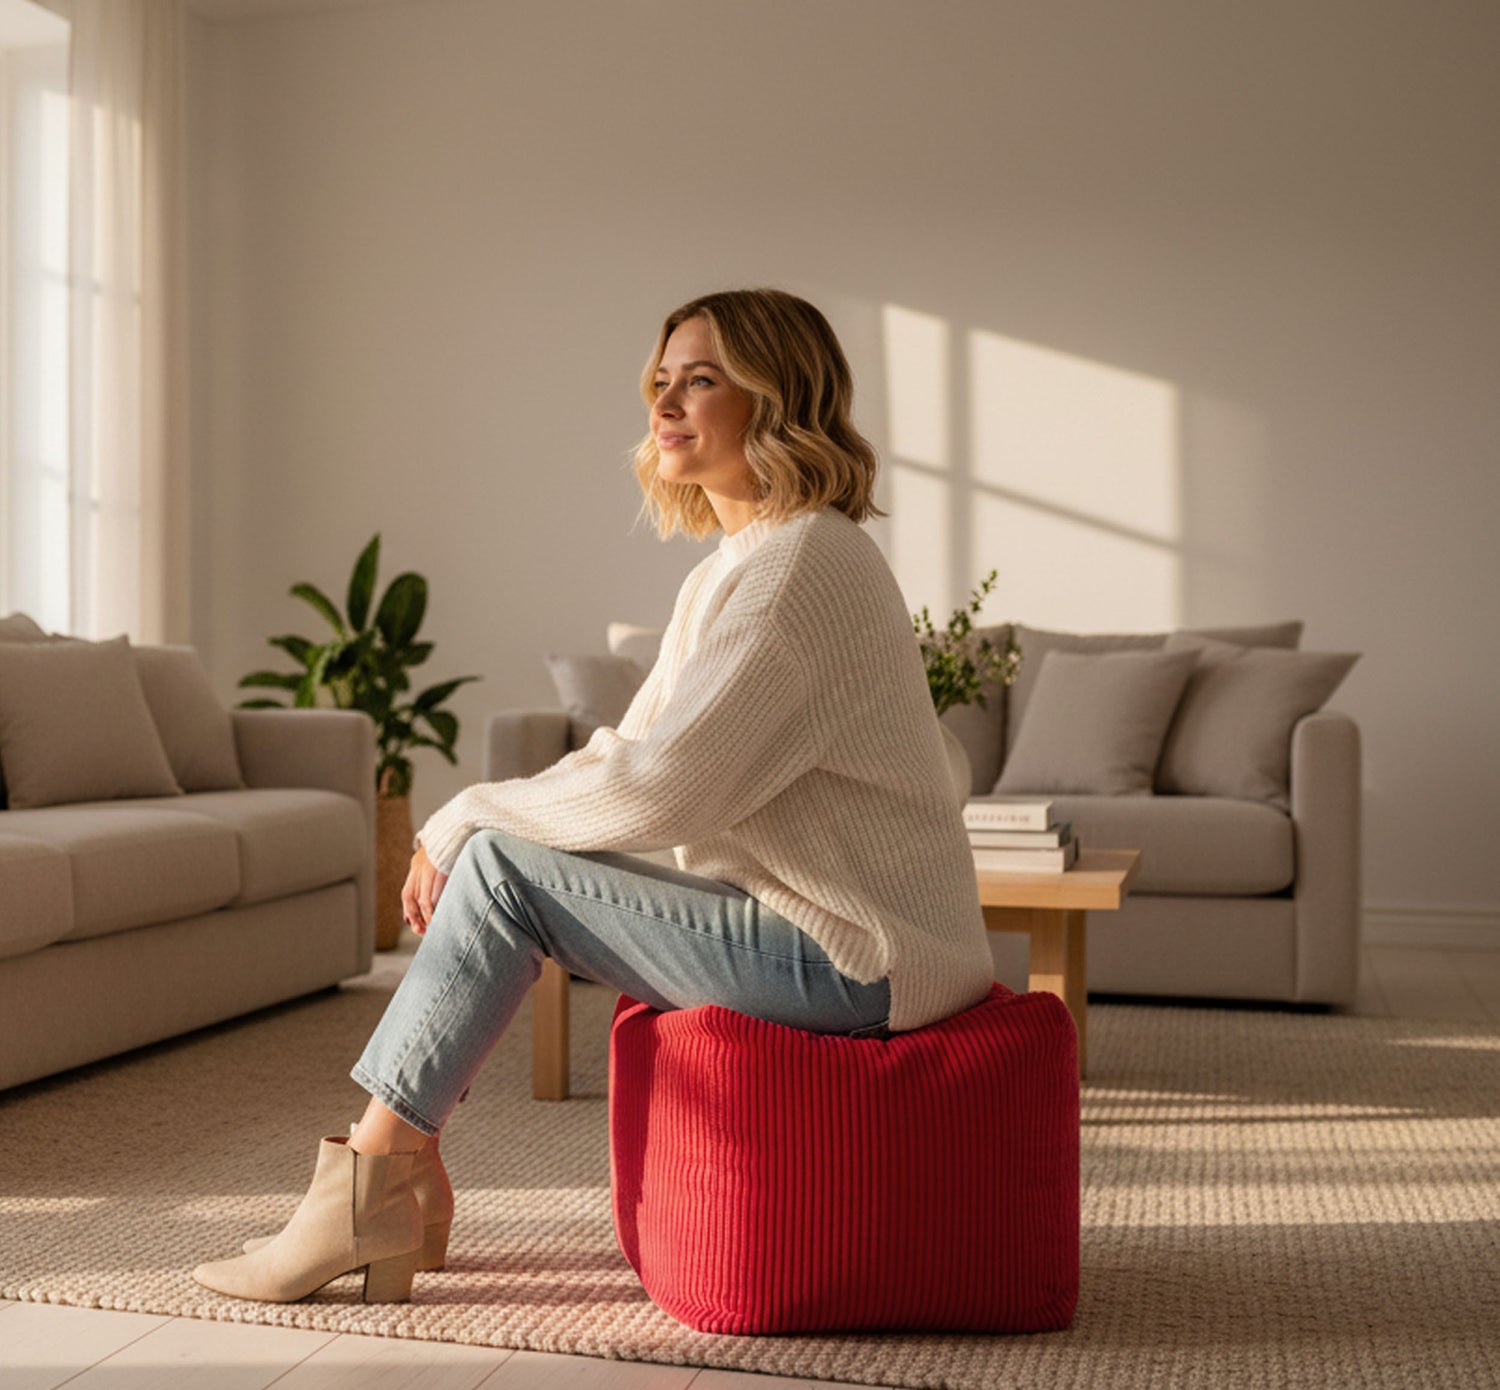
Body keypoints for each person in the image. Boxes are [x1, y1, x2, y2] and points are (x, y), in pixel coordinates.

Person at [193, 288, 995, 1305]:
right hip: (850, 945)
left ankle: (370, 1188)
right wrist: (470, 812)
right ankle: (404, 1178)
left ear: (778, 396)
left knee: (496, 876)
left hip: (854, 961)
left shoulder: (800, 568)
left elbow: (664, 789)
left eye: (700, 379)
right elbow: (629, 751)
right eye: (660, 382)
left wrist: (467, 816)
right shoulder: (748, 564)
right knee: (493, 857)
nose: (665, 403)